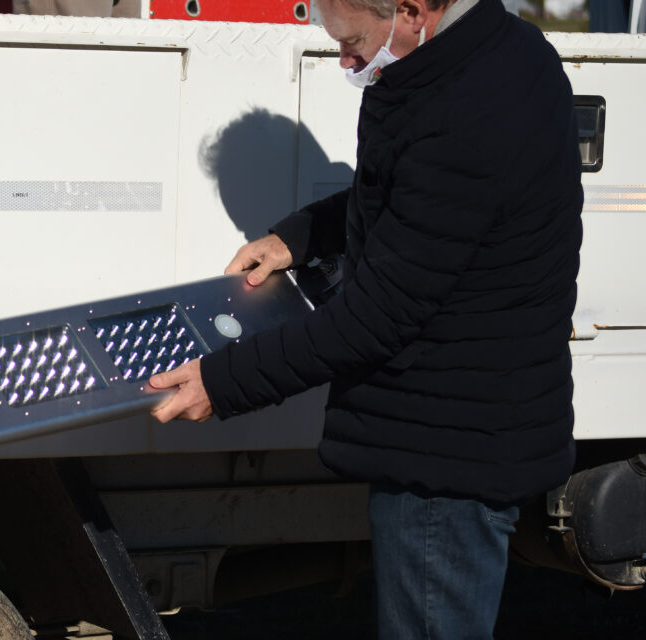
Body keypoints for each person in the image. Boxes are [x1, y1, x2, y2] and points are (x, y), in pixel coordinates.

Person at [147, 0, 583, 637]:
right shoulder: (504, 54)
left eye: (352, 42)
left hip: (443, 452)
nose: (347, 60)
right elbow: (410, 196)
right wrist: (301, 236)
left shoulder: (466, 107)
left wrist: (223, 380)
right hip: (469, 425)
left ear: (410, 12)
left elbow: (376, 316)